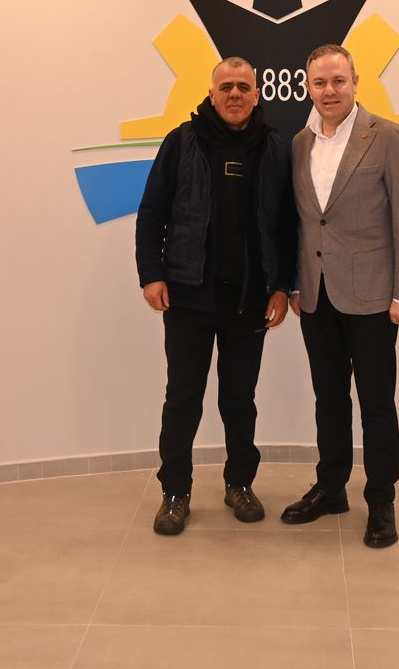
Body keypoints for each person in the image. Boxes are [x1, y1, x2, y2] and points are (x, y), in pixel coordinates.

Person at [135, 57, 296, 536]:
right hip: (187, 297)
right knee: (183, 398)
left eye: (243, 86)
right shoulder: (181, 142)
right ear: (211, 93)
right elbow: (152, 212)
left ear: (257, 94)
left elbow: (287, 224)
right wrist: (152, 274)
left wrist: (282, 285)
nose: (235, 94)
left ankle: (239, 484)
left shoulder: (274, 147)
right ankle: (175, 493)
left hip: (249, 301)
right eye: (226, 87)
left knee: (239, 400)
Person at [280, 44, 399, 548]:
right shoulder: (299, 143)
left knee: (376, 403)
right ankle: (331, 487)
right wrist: (296, 284)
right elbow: (302, 223)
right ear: (307, 87)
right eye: (319, 82)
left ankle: (381, 499)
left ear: (356, 82)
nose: (329, 91)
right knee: (329, 400)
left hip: (373, 298)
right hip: (316, 297)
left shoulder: (387, 137)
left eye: (338, 80)